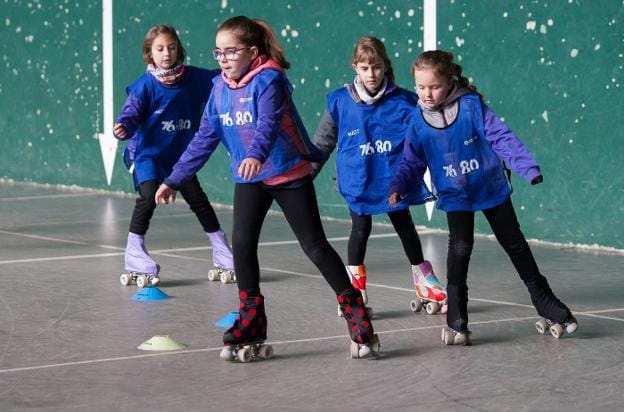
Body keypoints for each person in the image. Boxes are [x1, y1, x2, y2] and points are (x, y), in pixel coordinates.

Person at [154, 16, 380, 360]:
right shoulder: (218, 89)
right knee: (242, 246)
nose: (224, 58)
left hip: (287, 173)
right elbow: (204, 138)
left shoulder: (269, 80)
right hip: (250, 178)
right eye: (219, 52)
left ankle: (355, 310)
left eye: (231, 51)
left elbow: (268, 124)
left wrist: (256, 156)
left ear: (252, 52)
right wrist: (174, 179)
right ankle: (252, 319)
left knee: (315, 246)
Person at [389, 50, 577, 345]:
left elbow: (501, 137)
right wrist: (398, 185)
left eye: (434, 87)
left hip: (489, 187)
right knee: (460, 249)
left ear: (449, 82)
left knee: (514, 243)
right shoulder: (417, 121)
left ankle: (546, 302)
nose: (427, 94)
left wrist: (526, 166)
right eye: (421, 87)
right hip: (455, 194)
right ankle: (457, 319)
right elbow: (411, 162)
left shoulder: (471, 106)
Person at [312, 36, 446, 316]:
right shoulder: (339, 101)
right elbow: (322, 142)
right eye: (364, 68)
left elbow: (428, 136)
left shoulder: (406, 102)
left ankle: (423, 280)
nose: (371, 74)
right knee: (360, 229)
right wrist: (307, 173)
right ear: (355, 68)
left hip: (392, 181)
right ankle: (354, 290)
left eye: (376, 67)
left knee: (405, 227)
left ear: (385, 66)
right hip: (357, 180)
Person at [114, 24, 234, 287]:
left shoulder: (193, 78)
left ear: (179, 49)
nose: (166, 53)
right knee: (147, 197)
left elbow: (222, 77)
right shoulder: (144, 86)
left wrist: (245, 66)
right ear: (149, 53)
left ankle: (223, 252)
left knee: (198, 200)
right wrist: (124, 126)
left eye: (171, 47)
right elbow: (131, 113)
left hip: (180, 157)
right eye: (159, 49)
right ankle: (134, 255)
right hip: (146, 155)